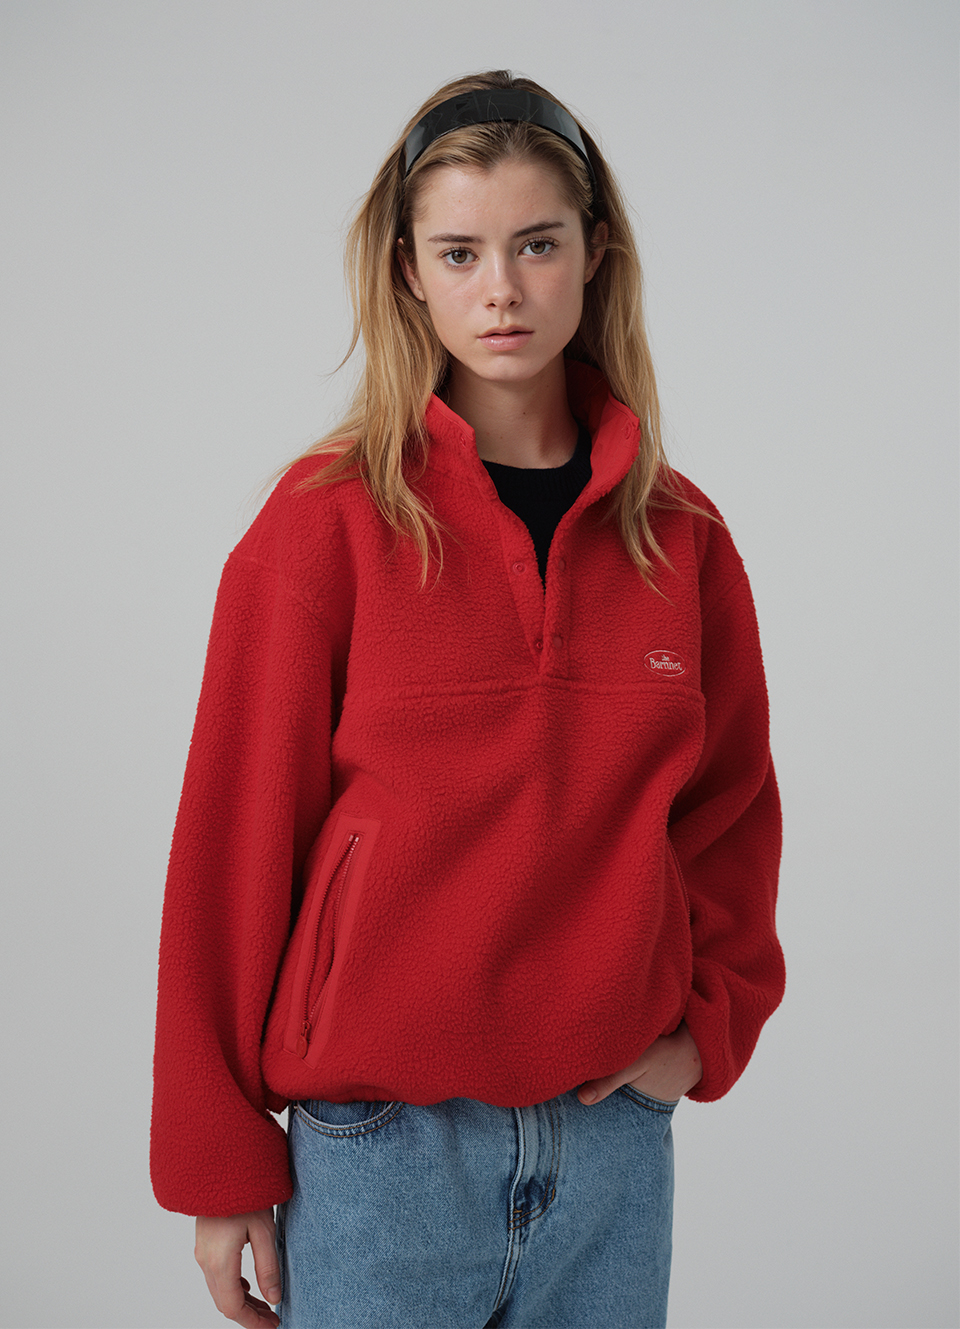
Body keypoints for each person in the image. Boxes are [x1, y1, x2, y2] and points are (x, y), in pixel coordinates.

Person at [151, 70, 785, 1329]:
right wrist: (218, 1163)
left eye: (537, 245)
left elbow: (729, 817)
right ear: (409, 273)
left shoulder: (682, 537)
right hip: (380, 1153)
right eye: (461, 253)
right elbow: (233, 846)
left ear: (595, 257)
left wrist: (706, 1030)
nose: (502, 289)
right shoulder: (324, 526)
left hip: (611, 1150)